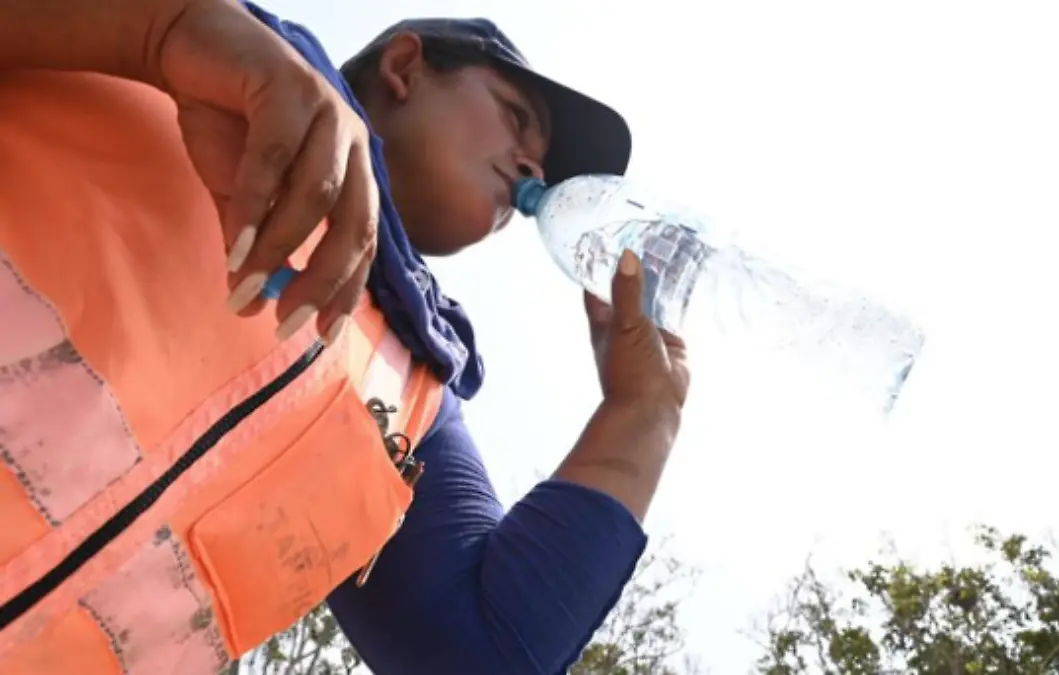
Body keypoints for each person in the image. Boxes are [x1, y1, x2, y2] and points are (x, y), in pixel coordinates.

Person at [0, 1, 688, 674]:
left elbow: (480, 656)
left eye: (542, 165)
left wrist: (642, 412)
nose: (534, 171)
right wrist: (165, 28)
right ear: (404, 66)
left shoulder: (412, 398)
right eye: (516, 117)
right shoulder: (204, 54)